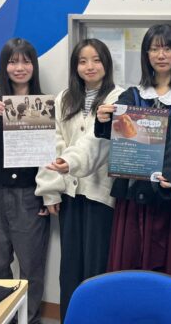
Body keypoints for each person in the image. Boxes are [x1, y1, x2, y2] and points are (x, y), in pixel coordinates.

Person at [95, 24, 171, 289]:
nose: (161, 55)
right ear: (146, 54)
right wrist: (104, 119)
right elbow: (120, 132)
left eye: (167, 48)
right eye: (154, 49)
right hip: (133, 201)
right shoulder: (132, 95)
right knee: (127, 272)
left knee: (167, 277)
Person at [35, 38, 124, 320]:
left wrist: (70, 163)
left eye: (96, 60)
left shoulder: (119, 98)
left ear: (106, 63)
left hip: (102, 194)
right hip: (70, 194)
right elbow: (52, 144)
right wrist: (50, 191)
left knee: (97, 268)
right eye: (83, 61)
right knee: (70, 267)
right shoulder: (64, 98)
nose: (90, 66)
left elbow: (99, 142)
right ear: (75, 66)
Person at [0, 37, 49, 324]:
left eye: (26, 61)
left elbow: (51, 154)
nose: (19, 67)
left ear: (34, 66)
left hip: (30, 194)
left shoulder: (45, 103)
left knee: (32, 266)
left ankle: (29, 319)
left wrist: (48, 195)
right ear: (4, 66)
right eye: (13, 61)